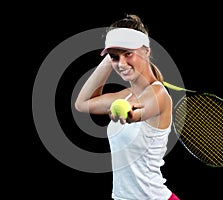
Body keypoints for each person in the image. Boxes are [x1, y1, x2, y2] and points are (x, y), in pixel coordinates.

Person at [75, 14, 180, 200]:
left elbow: (140, 110)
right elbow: (82, 104)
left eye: (128, 53)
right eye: (115, 56)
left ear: (146, 51)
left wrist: (130, 114)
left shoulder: (159, 95)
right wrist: (110, 57)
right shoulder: (126, 95)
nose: (121, 64)